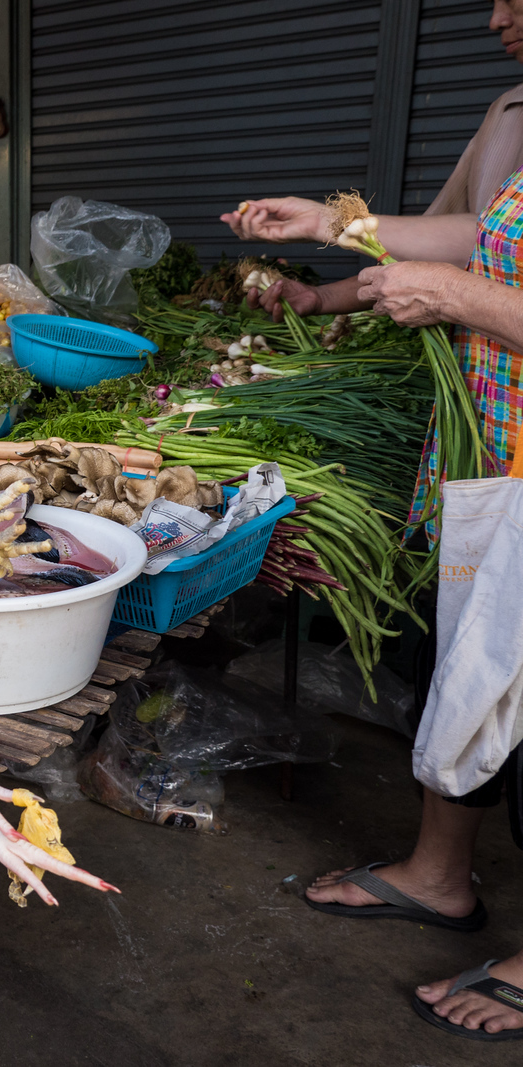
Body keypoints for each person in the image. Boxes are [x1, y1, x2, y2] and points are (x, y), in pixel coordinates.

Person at [245, 181, 523, 1039]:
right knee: (466, 670)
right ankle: (440, 873)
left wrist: (454, 294)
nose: (493, 32)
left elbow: (478, 272)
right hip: (498, 455)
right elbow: (493, 232)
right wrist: (341, 227)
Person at [223, 0, 523, 313]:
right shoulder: (506, 111)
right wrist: (325, 274)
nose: (496, 21)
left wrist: (446, 292)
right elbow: (476, 242)